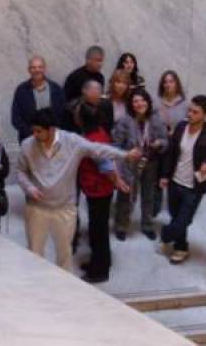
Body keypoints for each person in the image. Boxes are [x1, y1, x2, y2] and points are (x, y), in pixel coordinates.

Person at [17, 108, 140, 272]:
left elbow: (98, 149)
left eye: (39, 131)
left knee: (64, 252)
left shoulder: (72, 142)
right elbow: (20, 171)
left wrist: (124, 155)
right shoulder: (27, 145)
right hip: (37, 208)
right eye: (33, 130)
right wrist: (29, 187)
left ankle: (64, 287)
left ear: (52, 129)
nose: (35, 135)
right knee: (34, 251)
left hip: (64, 208)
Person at [159, 96, 206, 264]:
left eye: (195, 112)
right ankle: (181, 248)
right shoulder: (181, 127)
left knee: (184, 220)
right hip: (175, 182)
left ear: (205, 115)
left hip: (194, 187)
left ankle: (167, 235)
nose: (190, 114)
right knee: (175, 216)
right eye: (189, 110)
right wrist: (164, 175)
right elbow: (171, 153)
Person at [76, 102, 129, 282]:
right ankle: (99, 262)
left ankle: (100, 271)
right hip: (97, 190)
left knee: (98, 231)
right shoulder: (97, 133)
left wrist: (118, 181)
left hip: (99, 191)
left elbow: (106, 166)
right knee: (97, 228)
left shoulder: (94, 139)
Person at [112, 89, 168, 241]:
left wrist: (159, 143)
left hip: (151, 164)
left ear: (148, 102)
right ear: (131, 104)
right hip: (129, 165)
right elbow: (116, 145)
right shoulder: (125, 120)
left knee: (149, 196)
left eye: (142, 100)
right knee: (126, 196)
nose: (139, 104)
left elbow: (165, 140)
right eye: (135, 101)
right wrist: (128, 152)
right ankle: (121, 225)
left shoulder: (156, 119)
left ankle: (147, 225)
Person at [154, 70, 189, 215]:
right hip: (159, 145)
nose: (168, 84)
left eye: (171, 81)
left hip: (177, 146)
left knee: (173, 176)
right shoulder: (155, 101)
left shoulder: (185, 103)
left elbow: (189, 123)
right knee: (156, 176)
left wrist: (176, 131)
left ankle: (173, 208)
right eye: (165, 81)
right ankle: (154, 209)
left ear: (177, 83)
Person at [11, 56, 65, 143]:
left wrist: (53, 132)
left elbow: (63, 114)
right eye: (33, 67)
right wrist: (32, 133)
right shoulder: (21, 90)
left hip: (53, 139)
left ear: (44, 69)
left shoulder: (56, 89)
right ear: (29, 70)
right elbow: (16, 118)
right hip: (29, 139)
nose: (37, 70)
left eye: (40, 67)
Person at [62, 46, 105, 132]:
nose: (100, 64)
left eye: (101, 61)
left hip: (94, 121)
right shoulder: (75, 77)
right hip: (75, 121)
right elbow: (66, 101)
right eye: (98, 60)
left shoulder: (100, 77)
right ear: (88, 60)